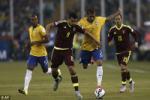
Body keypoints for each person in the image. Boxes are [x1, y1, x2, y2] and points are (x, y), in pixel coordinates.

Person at [46, 12, 99, 100]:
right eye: (72, 21)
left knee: (72, 69)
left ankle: (77, 92)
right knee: (54, 71)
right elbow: (49, 25)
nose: (74, 23)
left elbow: (86, 32)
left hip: (68, 51)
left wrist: (96, 40)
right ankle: (57, 79)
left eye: (75, 21)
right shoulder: (62, 23)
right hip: (57, 50)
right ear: (69, 19)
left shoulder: (76, 26)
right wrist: (47, 33)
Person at [18, 15, 61, 95]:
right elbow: (31, 40)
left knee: (45, 70)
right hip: (33, 53)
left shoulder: (41, 28)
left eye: (35, 19)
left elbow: (47, 40)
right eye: (32, 20)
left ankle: (57, 70)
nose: (34, 21)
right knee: (29, 68)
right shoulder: (30, 29)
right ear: (31, 21)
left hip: (42, 54)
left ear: (37, 20)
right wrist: (27, 46)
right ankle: (25, 90)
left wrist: (36, 42)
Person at [78, 7, 121, 88]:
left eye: (93, 16)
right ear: (87, 15)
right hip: (85, 47)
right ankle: (89, 60)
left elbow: (108, 18)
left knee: (100, 63)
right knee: (85, 66)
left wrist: (117, 12)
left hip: (96, 47)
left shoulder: (99, 20)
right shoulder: (82, 22)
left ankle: (99, 85)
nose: (92, 18)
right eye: (90, 16)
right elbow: (83, 31)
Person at [108, 14, 138, 93]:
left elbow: (134, 34)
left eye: (119, 19)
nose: (118, 20)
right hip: (118, 52)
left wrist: (136, 42)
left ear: (121, 19)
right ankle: (131, 82)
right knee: (124, 69)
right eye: (116, 19)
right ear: (114, 20)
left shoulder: (126, 28)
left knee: (122, 67)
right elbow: (109, 39)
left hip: (127, 50)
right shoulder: (112, 29)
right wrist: (109, 42)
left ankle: (123, 85)